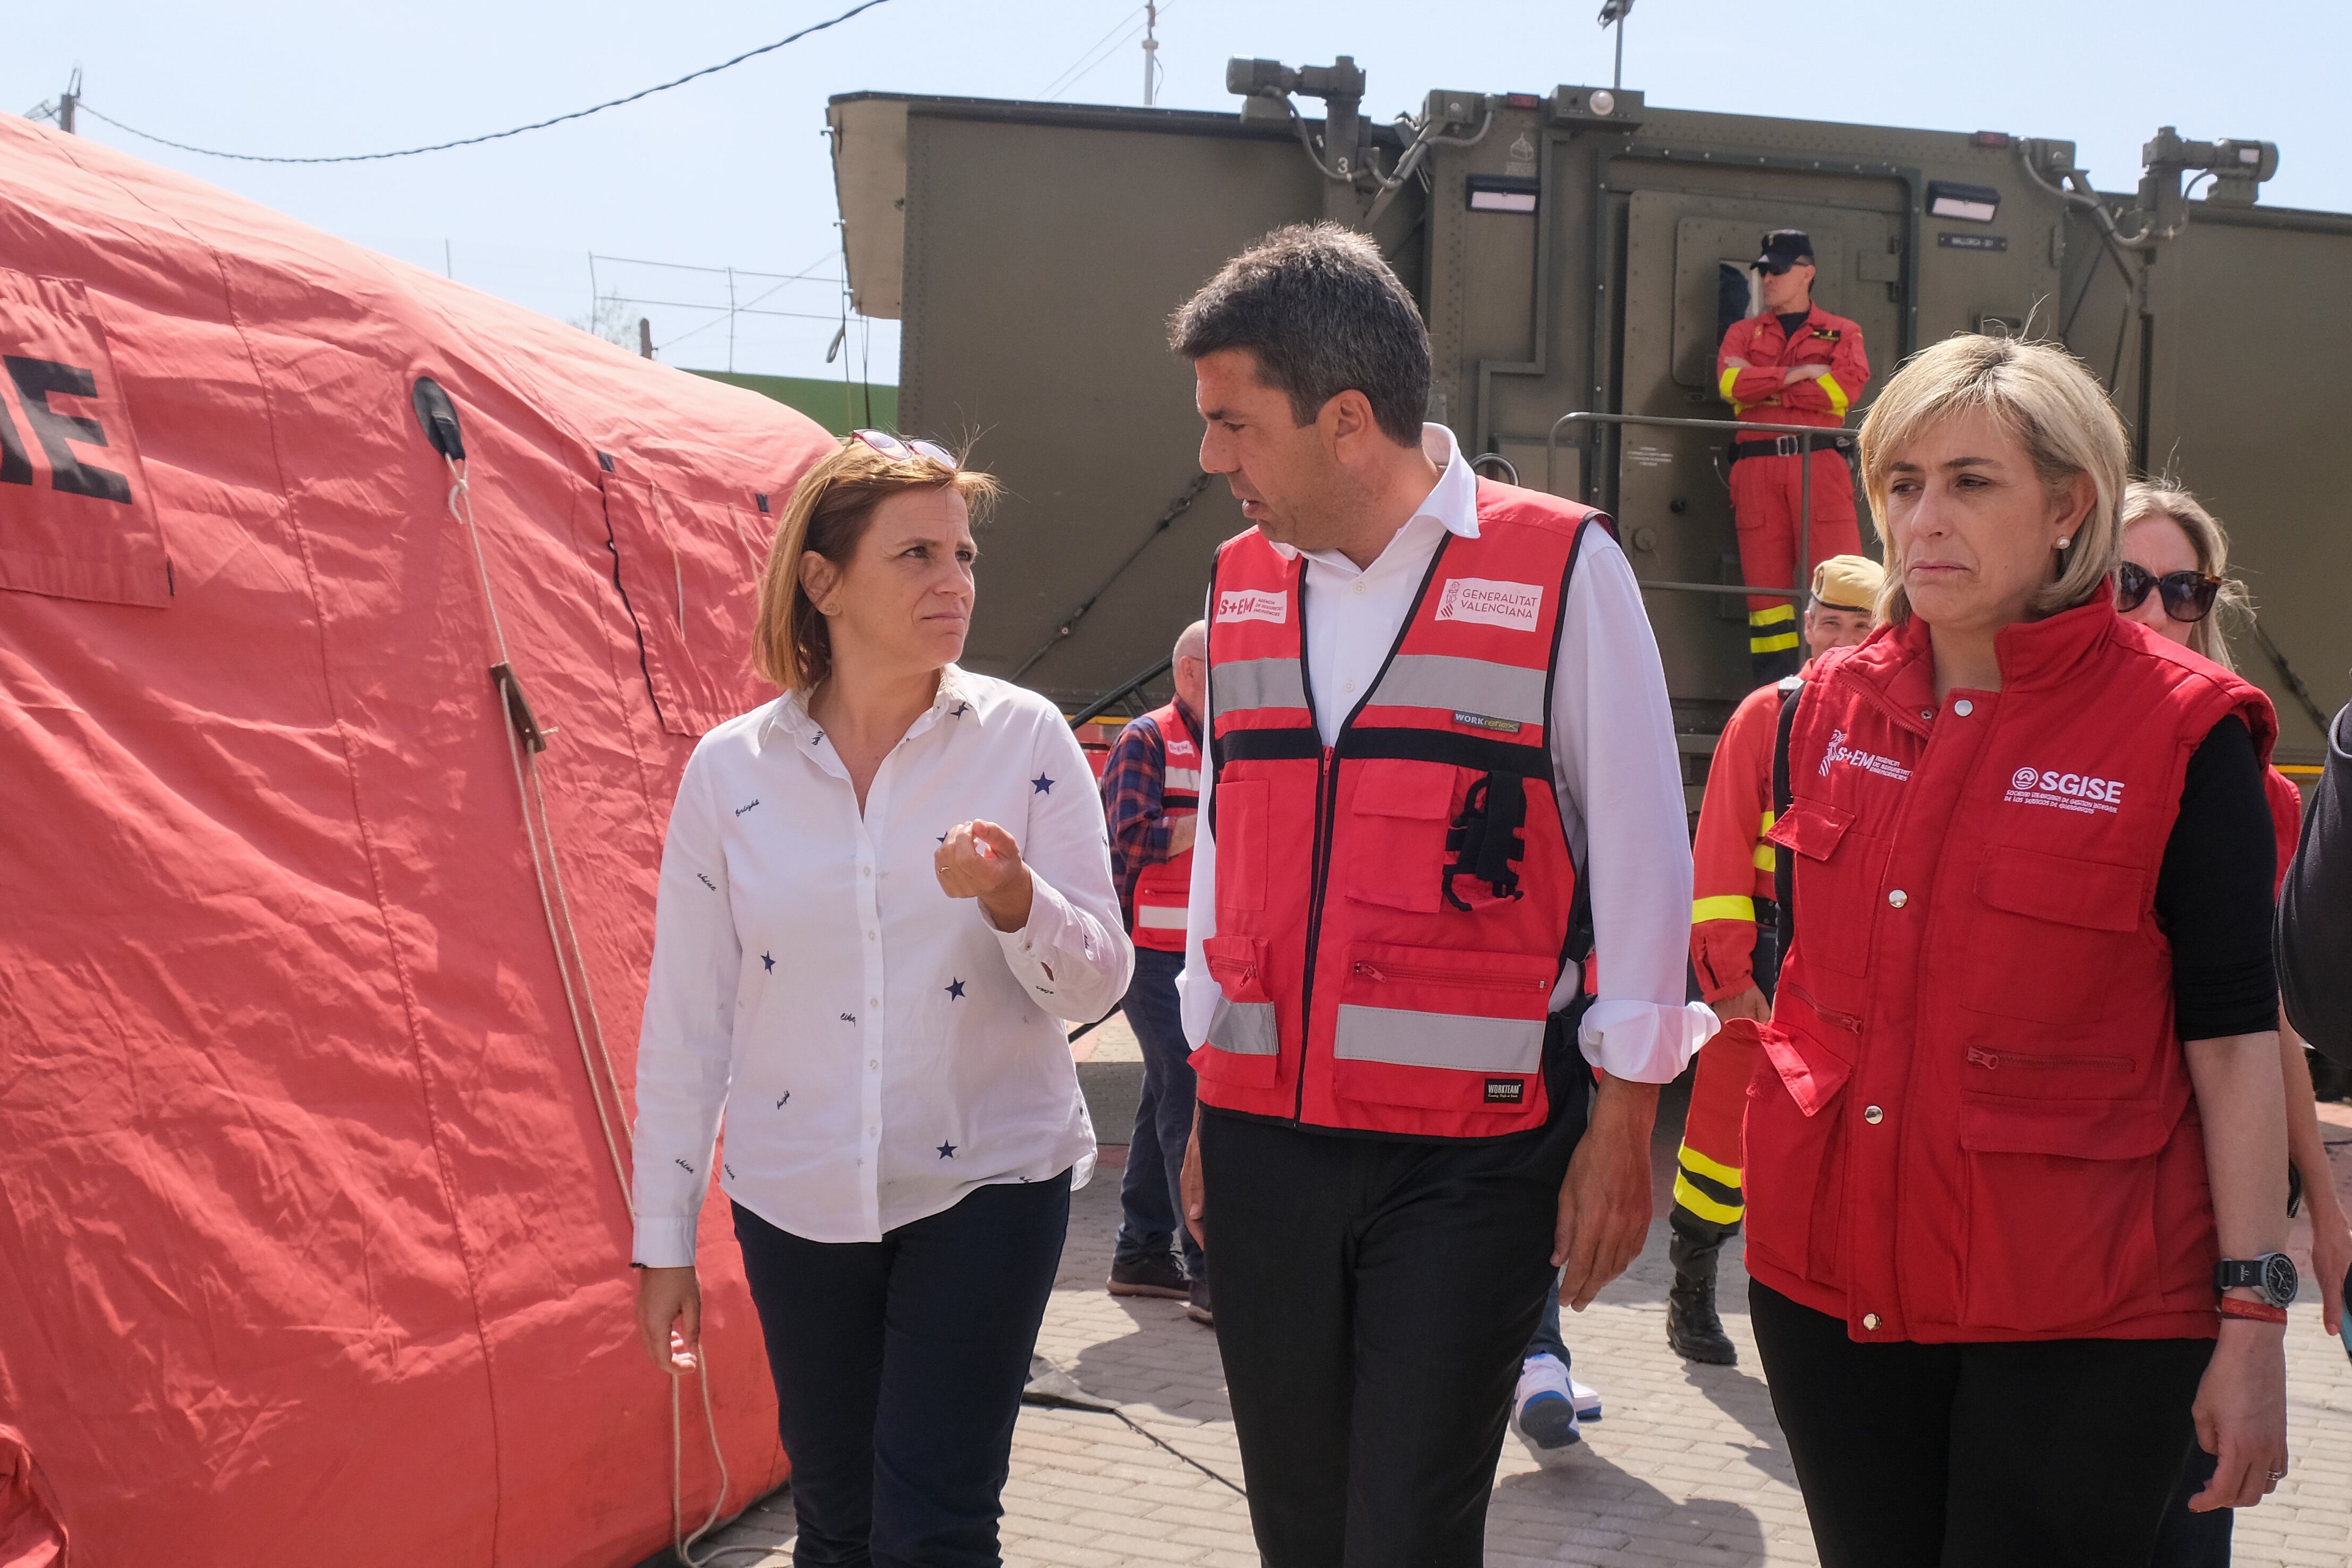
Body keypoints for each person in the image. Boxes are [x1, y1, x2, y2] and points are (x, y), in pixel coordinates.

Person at [1168, 223, 1716, 1566]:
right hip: (1264, 1145)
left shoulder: (1563, 568)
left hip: (1471, 1162)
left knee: (1407, 1525)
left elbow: (1645, 845)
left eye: (1235, 425)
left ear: (1346, 420)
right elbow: (1229, 850)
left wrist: (1625, 1118)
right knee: (1300, 1525)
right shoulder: (1240, 585)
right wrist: (1202, 1096)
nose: (1210, 460)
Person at [1745, 334, 2294, 1567]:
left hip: (2082, 1317)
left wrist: (2252, 1312)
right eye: (1899, 482)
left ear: (2067, 507)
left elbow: (2231, 1039)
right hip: (1830, 1286)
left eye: (1969, 482)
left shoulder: (2182, 731)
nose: (1920, 519)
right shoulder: (1821, 709)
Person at [629, 431, 1134, 1568]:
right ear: (822, 580)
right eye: (915, 554)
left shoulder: (1026, 737)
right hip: (793, 1197)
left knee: (933, 1532)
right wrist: (661, 1235)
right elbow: (687, 1017)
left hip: (989, 1186)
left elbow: (1099, 980)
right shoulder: (730, 771)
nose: (953, 581)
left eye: (962, 554)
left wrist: (1015, 897)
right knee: (838, 1527)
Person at [2113, 482, 2351, 1568]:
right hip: (2048, 1201)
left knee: (2179, 1511)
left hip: (2189, 1204)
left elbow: (2261, 1023)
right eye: (2125, 583)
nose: (2155, 610)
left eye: (2181, 588)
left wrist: (2324, 1206)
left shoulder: (2252, 790)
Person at [1670, 552, 1883, 1367]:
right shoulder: (1768, 714)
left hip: (1842, 963)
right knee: (1720, 1133)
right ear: (1806, 625)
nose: (1843, 640)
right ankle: (1691, 1287)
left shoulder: (1897, 718)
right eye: (1831, 622)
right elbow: (1720, 850)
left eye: (1863, 627)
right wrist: (1729, 981)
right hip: (1761, 957)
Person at [1101, 621, 1213, 1324]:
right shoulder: (1146, 738)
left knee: (1162, 1091)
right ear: (1194, 671)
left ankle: (1142, 1251)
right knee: (1185, 1097)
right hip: (1150, 952)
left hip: (1200, 955)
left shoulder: (1225, 742)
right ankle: (1208, 1267)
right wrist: (1213, 818)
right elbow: (1131, 835)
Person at [1717, 230, 1873, 684]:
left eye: (1778, 270)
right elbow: (1731, 387)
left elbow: (1841, 391)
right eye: (1763, 270)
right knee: (1766, 599)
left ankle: (1848, 683)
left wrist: (1762, 380)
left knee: (1847, 583)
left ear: (1807, 273)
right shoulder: (1741, 332)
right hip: (1757, 467)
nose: (1768, 278)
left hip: (1818, 463)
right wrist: (1801, 373)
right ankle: (1776, 693)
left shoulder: (1845, 332)